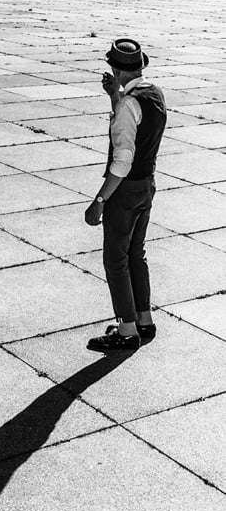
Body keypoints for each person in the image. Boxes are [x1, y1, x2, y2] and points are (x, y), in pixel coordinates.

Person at [85, 38, 167, 352]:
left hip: (125, 190)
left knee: (115, 260)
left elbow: (122, 159)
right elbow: (135, 121)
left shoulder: (128, 104)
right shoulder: (153, 94)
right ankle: (144, 321)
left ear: (116, 70)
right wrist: (114, 97)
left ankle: (127, 329)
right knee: (136, 254)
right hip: (147, 184)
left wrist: (100, 200)